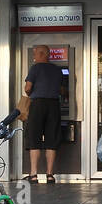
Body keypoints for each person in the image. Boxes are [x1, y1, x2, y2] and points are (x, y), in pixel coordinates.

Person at [24, 45, 63, 183]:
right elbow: (62, 91)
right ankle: (50, 174)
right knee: (51, 139)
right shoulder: (57, 70)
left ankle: (33, 174)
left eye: (35, 54)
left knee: (34, 138)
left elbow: (28, 88)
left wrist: (30, 91)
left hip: (38, 104)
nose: (34, 57)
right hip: (54, 105)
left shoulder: (35, 68)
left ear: (42, 54)